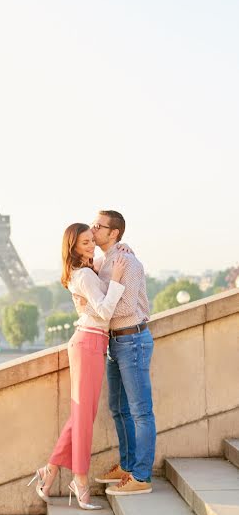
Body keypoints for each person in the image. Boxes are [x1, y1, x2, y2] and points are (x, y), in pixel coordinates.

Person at [28, 222, 127, 510]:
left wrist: (122, 247)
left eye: (90, 240)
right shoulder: (83, 275)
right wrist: (118, 280)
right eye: (84, 242)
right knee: (84, 417)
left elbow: (104, 257)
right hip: (88, 344)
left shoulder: (86, 269)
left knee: (82, 415)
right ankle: (80, 481)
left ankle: (50, 471)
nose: (90, 245)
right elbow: (105, 310)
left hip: (92, 344)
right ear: (72, 246)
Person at [74, 210, 156, 496]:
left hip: (131, 340)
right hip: (114, 343)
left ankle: (142, 476)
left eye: (99, 226)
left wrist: (96, 307)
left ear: (114, 234)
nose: (93, 229)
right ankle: (128, 464)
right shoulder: (103, 261)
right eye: (93, 223)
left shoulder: (127, 262)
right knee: (118, 409)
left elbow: (124, 309)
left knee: (140, 411)